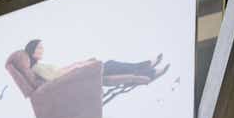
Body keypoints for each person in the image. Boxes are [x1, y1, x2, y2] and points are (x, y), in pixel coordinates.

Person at [26, 38, 168, 84]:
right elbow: (56, 76)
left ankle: (148, 67)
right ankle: (149, 72)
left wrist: (81, 63)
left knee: (111, 65)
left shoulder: (38, 66)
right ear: (32, 52)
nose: (42, 49)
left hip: (80, 75)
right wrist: (81, 66)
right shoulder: (37, 68)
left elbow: (59, 72)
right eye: (39, 48)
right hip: (81, 78)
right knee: (111, 65)